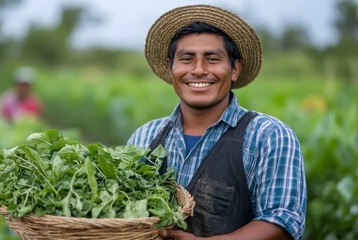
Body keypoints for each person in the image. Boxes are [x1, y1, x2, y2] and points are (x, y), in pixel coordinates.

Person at [127, 4, 307, 240]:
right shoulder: (144, 136)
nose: (199, 70)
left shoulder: (268, 136)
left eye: (212, 59)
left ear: (234, 69)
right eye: (187, 58)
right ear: (171, 67)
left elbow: (283, 221)